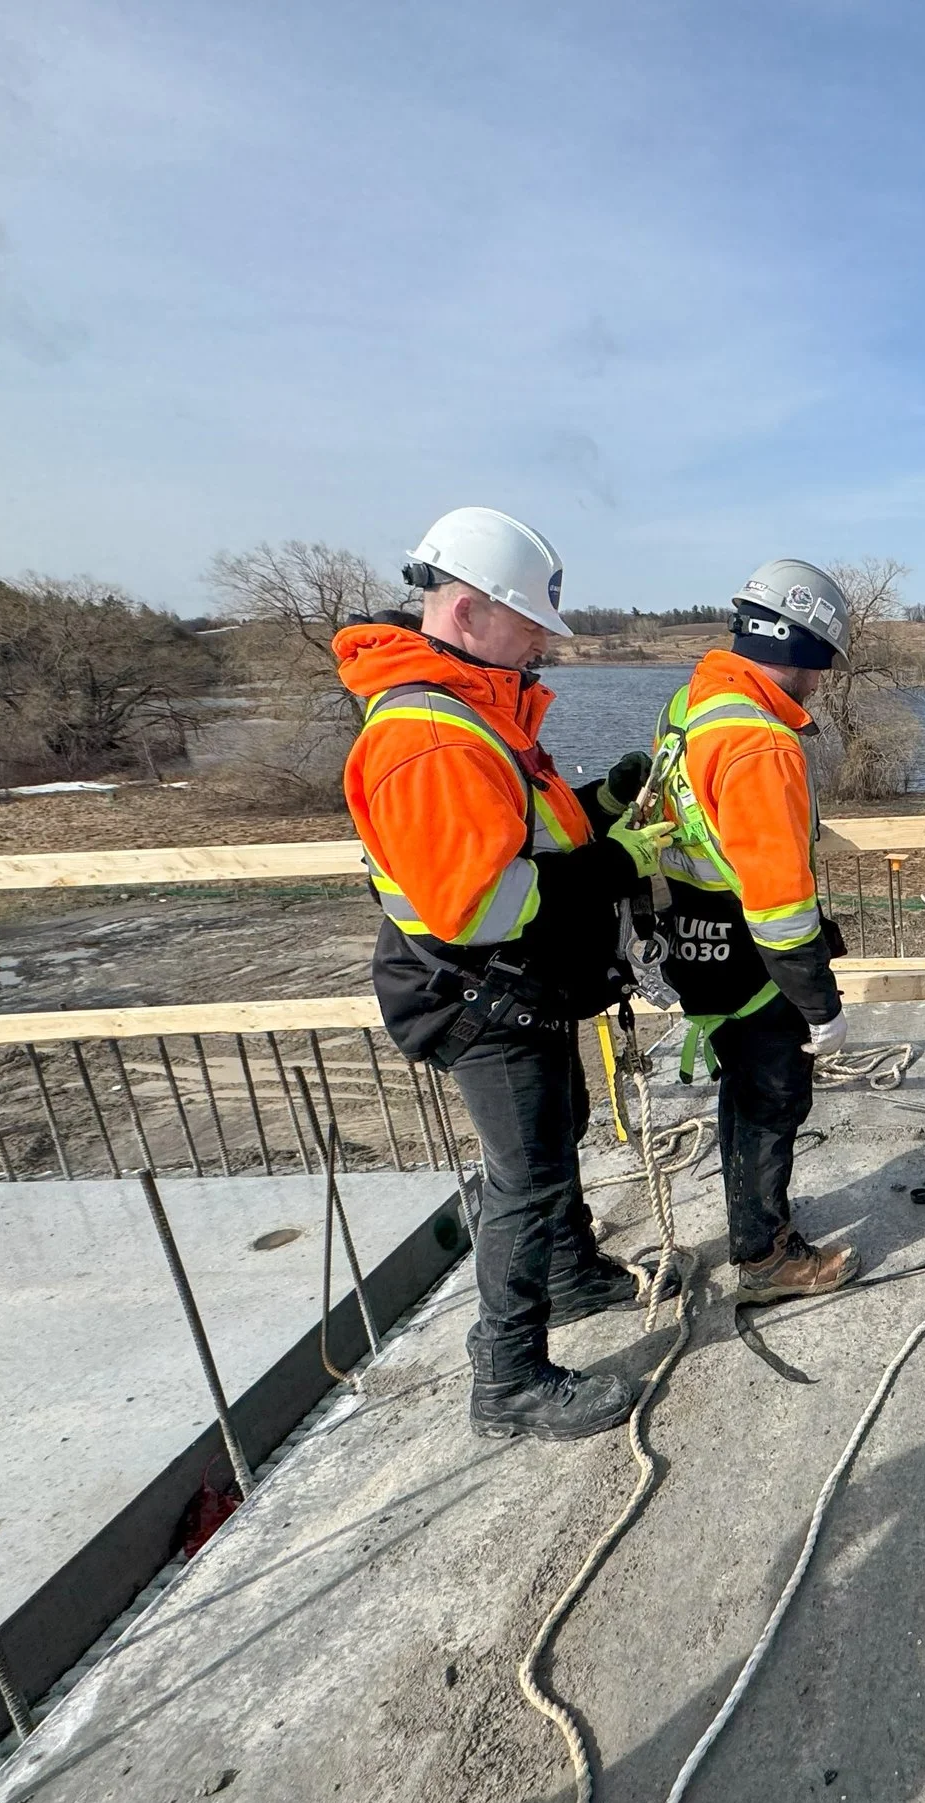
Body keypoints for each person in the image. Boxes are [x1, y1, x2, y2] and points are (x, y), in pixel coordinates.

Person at [338, 507, 679, 1442]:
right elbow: (479, 905)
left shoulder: (473, 711)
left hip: (519, 989)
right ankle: (510, 1377)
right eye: (530, 624)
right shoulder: (433, 736)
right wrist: (614, 865)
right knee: (524, 1179)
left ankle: (570, 1276)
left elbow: (530, 831)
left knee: (554, 1137)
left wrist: (604, 806)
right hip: (479, 996)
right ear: (469, 609)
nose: (542, 643)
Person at [645, 558, 857, 1301]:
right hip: (751, 955)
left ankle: (752, 1225)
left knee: (741, 1092)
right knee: (771, 1099)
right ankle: (767, 1258)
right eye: (821, 664)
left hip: (697, 940)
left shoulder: (692, 704)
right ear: (798, 649)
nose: (821, 682)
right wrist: (820, 1005)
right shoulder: (760, 742)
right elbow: (779, 905)